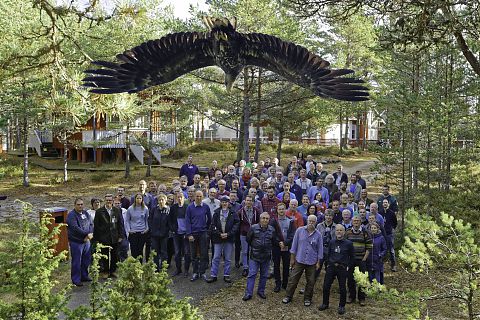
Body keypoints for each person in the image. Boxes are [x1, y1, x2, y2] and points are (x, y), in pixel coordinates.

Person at [282, 215, 323, 307]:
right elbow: (294, 246)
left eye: (313, 221)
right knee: (293, 279)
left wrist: (318, 262)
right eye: (310, 221)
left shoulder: (318, 235)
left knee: (311, 281)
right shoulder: (299, 231)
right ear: (307, 221)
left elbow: (320, 249)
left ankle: (307, 298)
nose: (311, 223)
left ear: (316, 223)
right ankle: (288, 296)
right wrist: (292, 259)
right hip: (299, 260)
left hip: (311, 261)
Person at [318, 224, 355, 315]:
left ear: (344, 232)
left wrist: (348, 266)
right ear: (335, 232)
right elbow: (328, 253)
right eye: (337, 230)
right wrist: (328, 264)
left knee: (342, 288)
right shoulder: (331, 242)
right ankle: (325, 303)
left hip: (342, 268)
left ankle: (342, 306)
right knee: (326, 286)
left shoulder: (349, 243)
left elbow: (352, 257)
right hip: (331, 266)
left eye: (341, 230)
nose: (339, 232)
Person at [242, 212, 277, 301]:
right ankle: (248, 293)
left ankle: (261, 291)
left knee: (264, 275)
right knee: (252, 274)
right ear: (260, 219)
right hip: (255, 256)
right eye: (263, 218)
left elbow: (273, 242)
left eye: (267, 219)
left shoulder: (272, 230)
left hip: (266, 256)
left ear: (269, 220)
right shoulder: (253, 228)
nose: (265, 220)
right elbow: (248, 239)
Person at [207, 196, 240, 283]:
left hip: (229, 238)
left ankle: (226, 275)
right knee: (216, 257)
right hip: (218, 238)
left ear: (228, 203)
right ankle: (213, 275)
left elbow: (236, 224)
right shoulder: (216, 213)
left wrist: (228, 234)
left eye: (226, 202)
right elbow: (213, 225)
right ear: (220, 203)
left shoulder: (233, 213)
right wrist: (219, 234)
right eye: (223, 202)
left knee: (228, 258)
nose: (224, 203)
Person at [93, 194, 125, 278]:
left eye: (110, 200)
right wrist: (97, 239)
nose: (108, 202)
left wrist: (121, 236)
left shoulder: (117, 210)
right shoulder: (99, 211)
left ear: (113, 201)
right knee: (105, 256)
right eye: (107, 200)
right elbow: (96, 226)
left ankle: (113, 271)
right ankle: (105, 271)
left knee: (115, 255)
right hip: (104, 238)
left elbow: (120, 224)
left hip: (115, 237)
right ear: (105, 201)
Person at [186, 190, 212, 282]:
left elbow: (210, 219)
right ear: (194, 197)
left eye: (200, 196)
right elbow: (187, 221)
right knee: (193, 254)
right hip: (193, 234)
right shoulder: (190, 207)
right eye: (197, 196)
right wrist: (189, 234)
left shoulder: (205, 207)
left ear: (203, 197)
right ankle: (195, 272)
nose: (199, 198)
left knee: (204, 254)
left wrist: (207, 230)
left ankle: (203, 272)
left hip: (203, 233)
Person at [67, 198, 93, 286]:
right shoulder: (71, 215)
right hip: (76, 242)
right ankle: (76, 279)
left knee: (86, 260)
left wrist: (90, 233)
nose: (80, 206)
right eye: (78, 204)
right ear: (74, 205)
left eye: (81, 204)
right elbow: (75, 228)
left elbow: (90, 224)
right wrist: (86, 234)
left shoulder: (85, 213)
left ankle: (84, 276)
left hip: (86, 241)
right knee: (77, 261)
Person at [345, 216, 372, 305]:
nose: (356, 222)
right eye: (354, 221)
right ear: (352, 222)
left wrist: (364, 258)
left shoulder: (365, 232)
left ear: (361, 222)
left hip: (361, 259)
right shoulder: (348, 232)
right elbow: (345, 245)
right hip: (350, 260)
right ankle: (351, 296)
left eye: (358, 221)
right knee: (350, 279)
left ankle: (361, 298)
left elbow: (369, 246)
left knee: (362, 279)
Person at [270, 203, 295, 292]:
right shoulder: (273, 220)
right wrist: (279, 243)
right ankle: (278, 284)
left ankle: (285, 283)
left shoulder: (290, 221)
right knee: (276, 266)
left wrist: (285, 243)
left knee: (286, 265)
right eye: (279, 209)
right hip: (276, 247)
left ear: (285, 209)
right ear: (277, 210)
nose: (281, 211)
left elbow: (292, 234)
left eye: (283, 209)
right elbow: (272, 234)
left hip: (287, 247)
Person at [238, 195, 261, 277]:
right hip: (244, 234)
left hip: (254, 234)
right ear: (245, 201)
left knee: (252, 250)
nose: (249, 202)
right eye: (247, 200)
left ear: (253, 202)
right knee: (244, 251)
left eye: (250, 200)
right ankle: (245, 267)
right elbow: (239, 223)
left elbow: (259, 222)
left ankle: (252, 266)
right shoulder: (241, 211)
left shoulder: (256, 211)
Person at [169, 191, 191, 277]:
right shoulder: (173, 208)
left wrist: (188, 232)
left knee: (186, 252)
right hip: (176, 233)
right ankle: (178, 269)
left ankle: (186, 270)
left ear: (184, 198)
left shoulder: (187, 207)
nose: (179, 199)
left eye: (181, 197)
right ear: (176, 198)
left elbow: (190, 220)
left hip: (186, 233)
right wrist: (173, 229)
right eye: (178, 197)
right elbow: (170, 220)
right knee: (177, 252)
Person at [149, 194, 172, 272]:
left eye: (162, 200)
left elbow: (170, 223)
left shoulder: (168, 210)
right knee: (155, 252)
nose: (161, 201)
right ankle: (156, 268)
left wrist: (166, 231)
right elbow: (150, 220)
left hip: (164, 235)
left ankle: (163, 268)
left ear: (165, 201)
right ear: (157, 201)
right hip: (154, 235)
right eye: (160, 200)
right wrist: (152, 230)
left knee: (164, 252)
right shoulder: (154, 209)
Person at [125, 193, 149, 261]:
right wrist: (129, 230)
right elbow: (127, 220)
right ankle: (134, 266)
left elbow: (147, 220)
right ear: (135, 199)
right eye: (137, 198)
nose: (139, 199)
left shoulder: (145, 208)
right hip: (133, 232)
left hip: (142, 232)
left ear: (142, 199)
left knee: (140, 251)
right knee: (133, 251)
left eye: (140, 198)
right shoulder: (130, 209)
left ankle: (140, 267)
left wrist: (147, 229)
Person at [379, 199, 398, 272]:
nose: (385, 204)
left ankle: (393, 265)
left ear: (388, 204)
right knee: (381, 250)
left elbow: (395, 223)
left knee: (391, 250)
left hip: (389, 233)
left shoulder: (392, 213)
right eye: (383, 203)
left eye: (386, 203)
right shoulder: (380, 212)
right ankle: (381, 266)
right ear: (382, 204)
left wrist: (392, 228)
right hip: (381, 234)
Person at [113, 196, 129, 262]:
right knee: (116, 252)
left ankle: (124, 265)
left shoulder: (125, 211)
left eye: (118, 203)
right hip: (114, 235)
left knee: (124, 250)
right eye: (116, 203)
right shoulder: (111, 212)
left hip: (124, 234)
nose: (117, 205)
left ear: (121, 204)